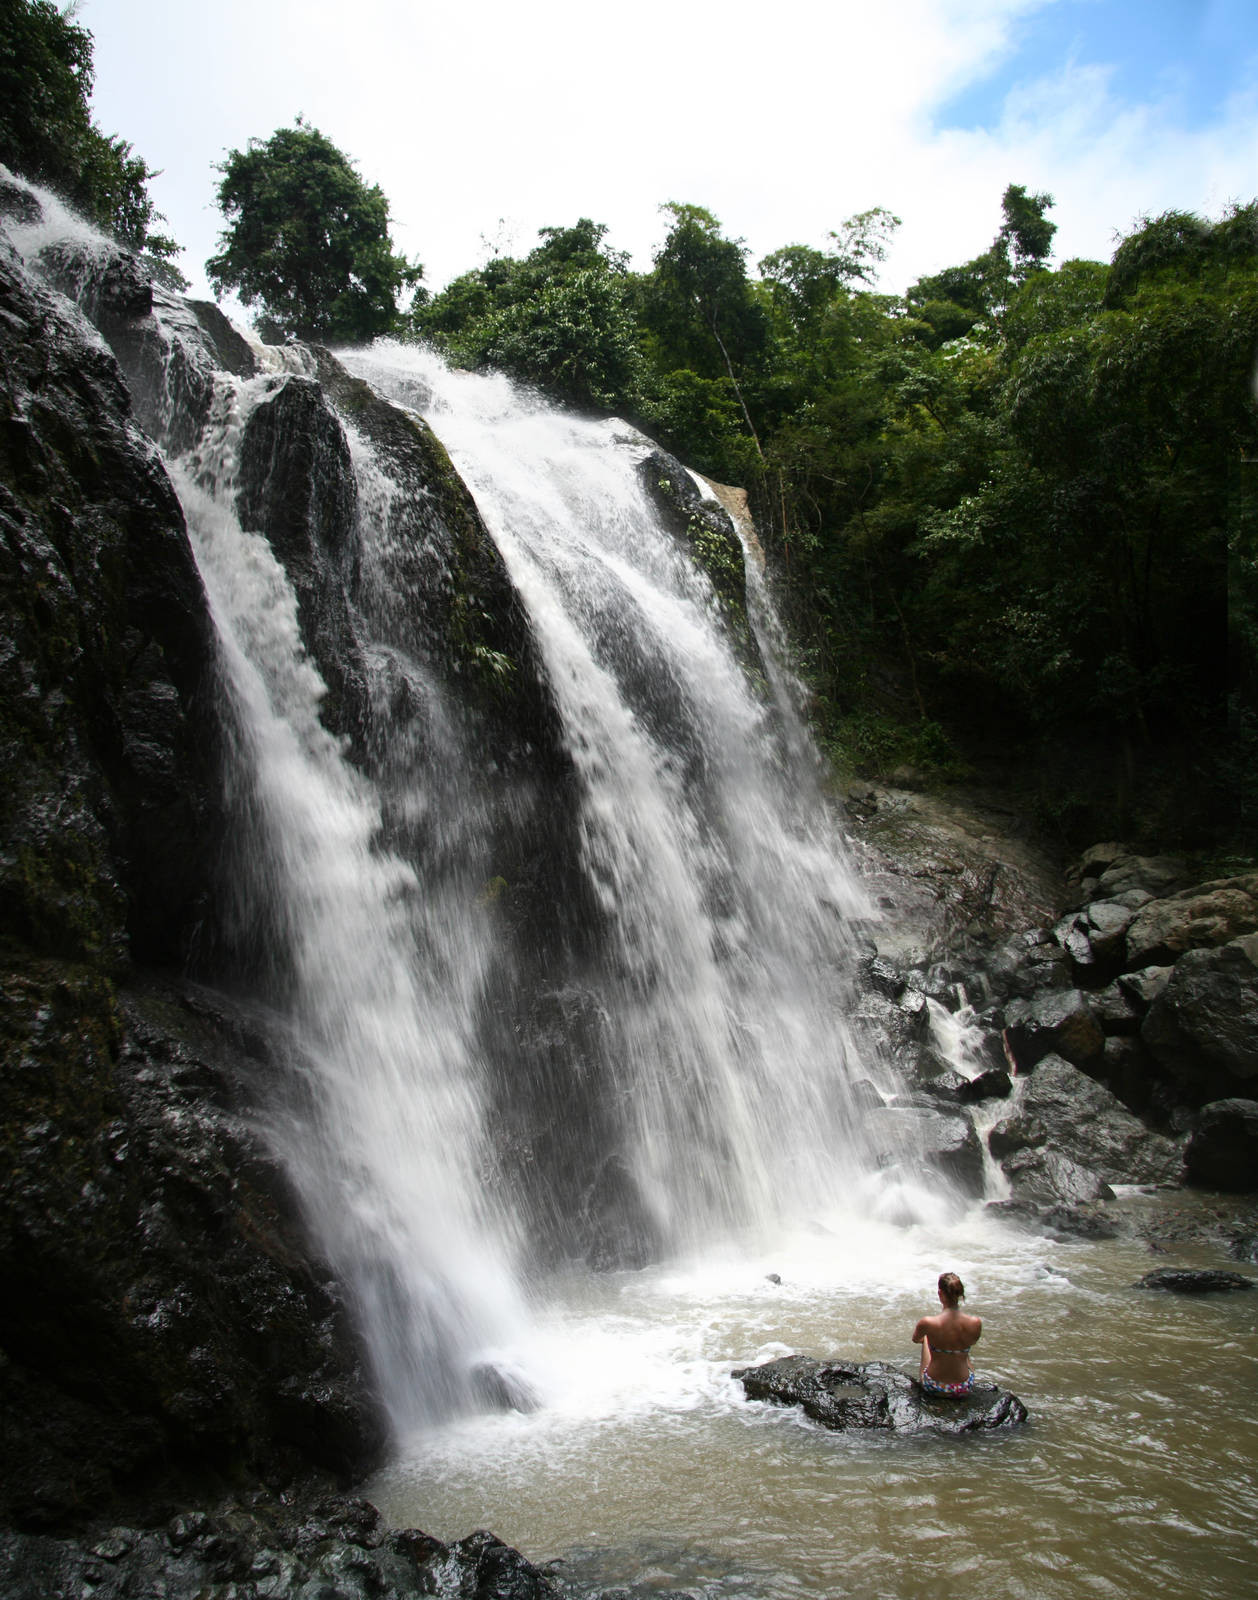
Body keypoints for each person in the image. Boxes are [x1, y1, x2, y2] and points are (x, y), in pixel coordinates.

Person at [912, 1271, 981, 1399]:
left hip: (934, 1386)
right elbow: (973, 1341)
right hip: (964, 1387)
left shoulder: (928, 1322)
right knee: (963, 1344)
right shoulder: (975, 1322)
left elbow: (916, 1339)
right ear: (960, 1294)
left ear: (940, 1293)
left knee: (927, 1336)